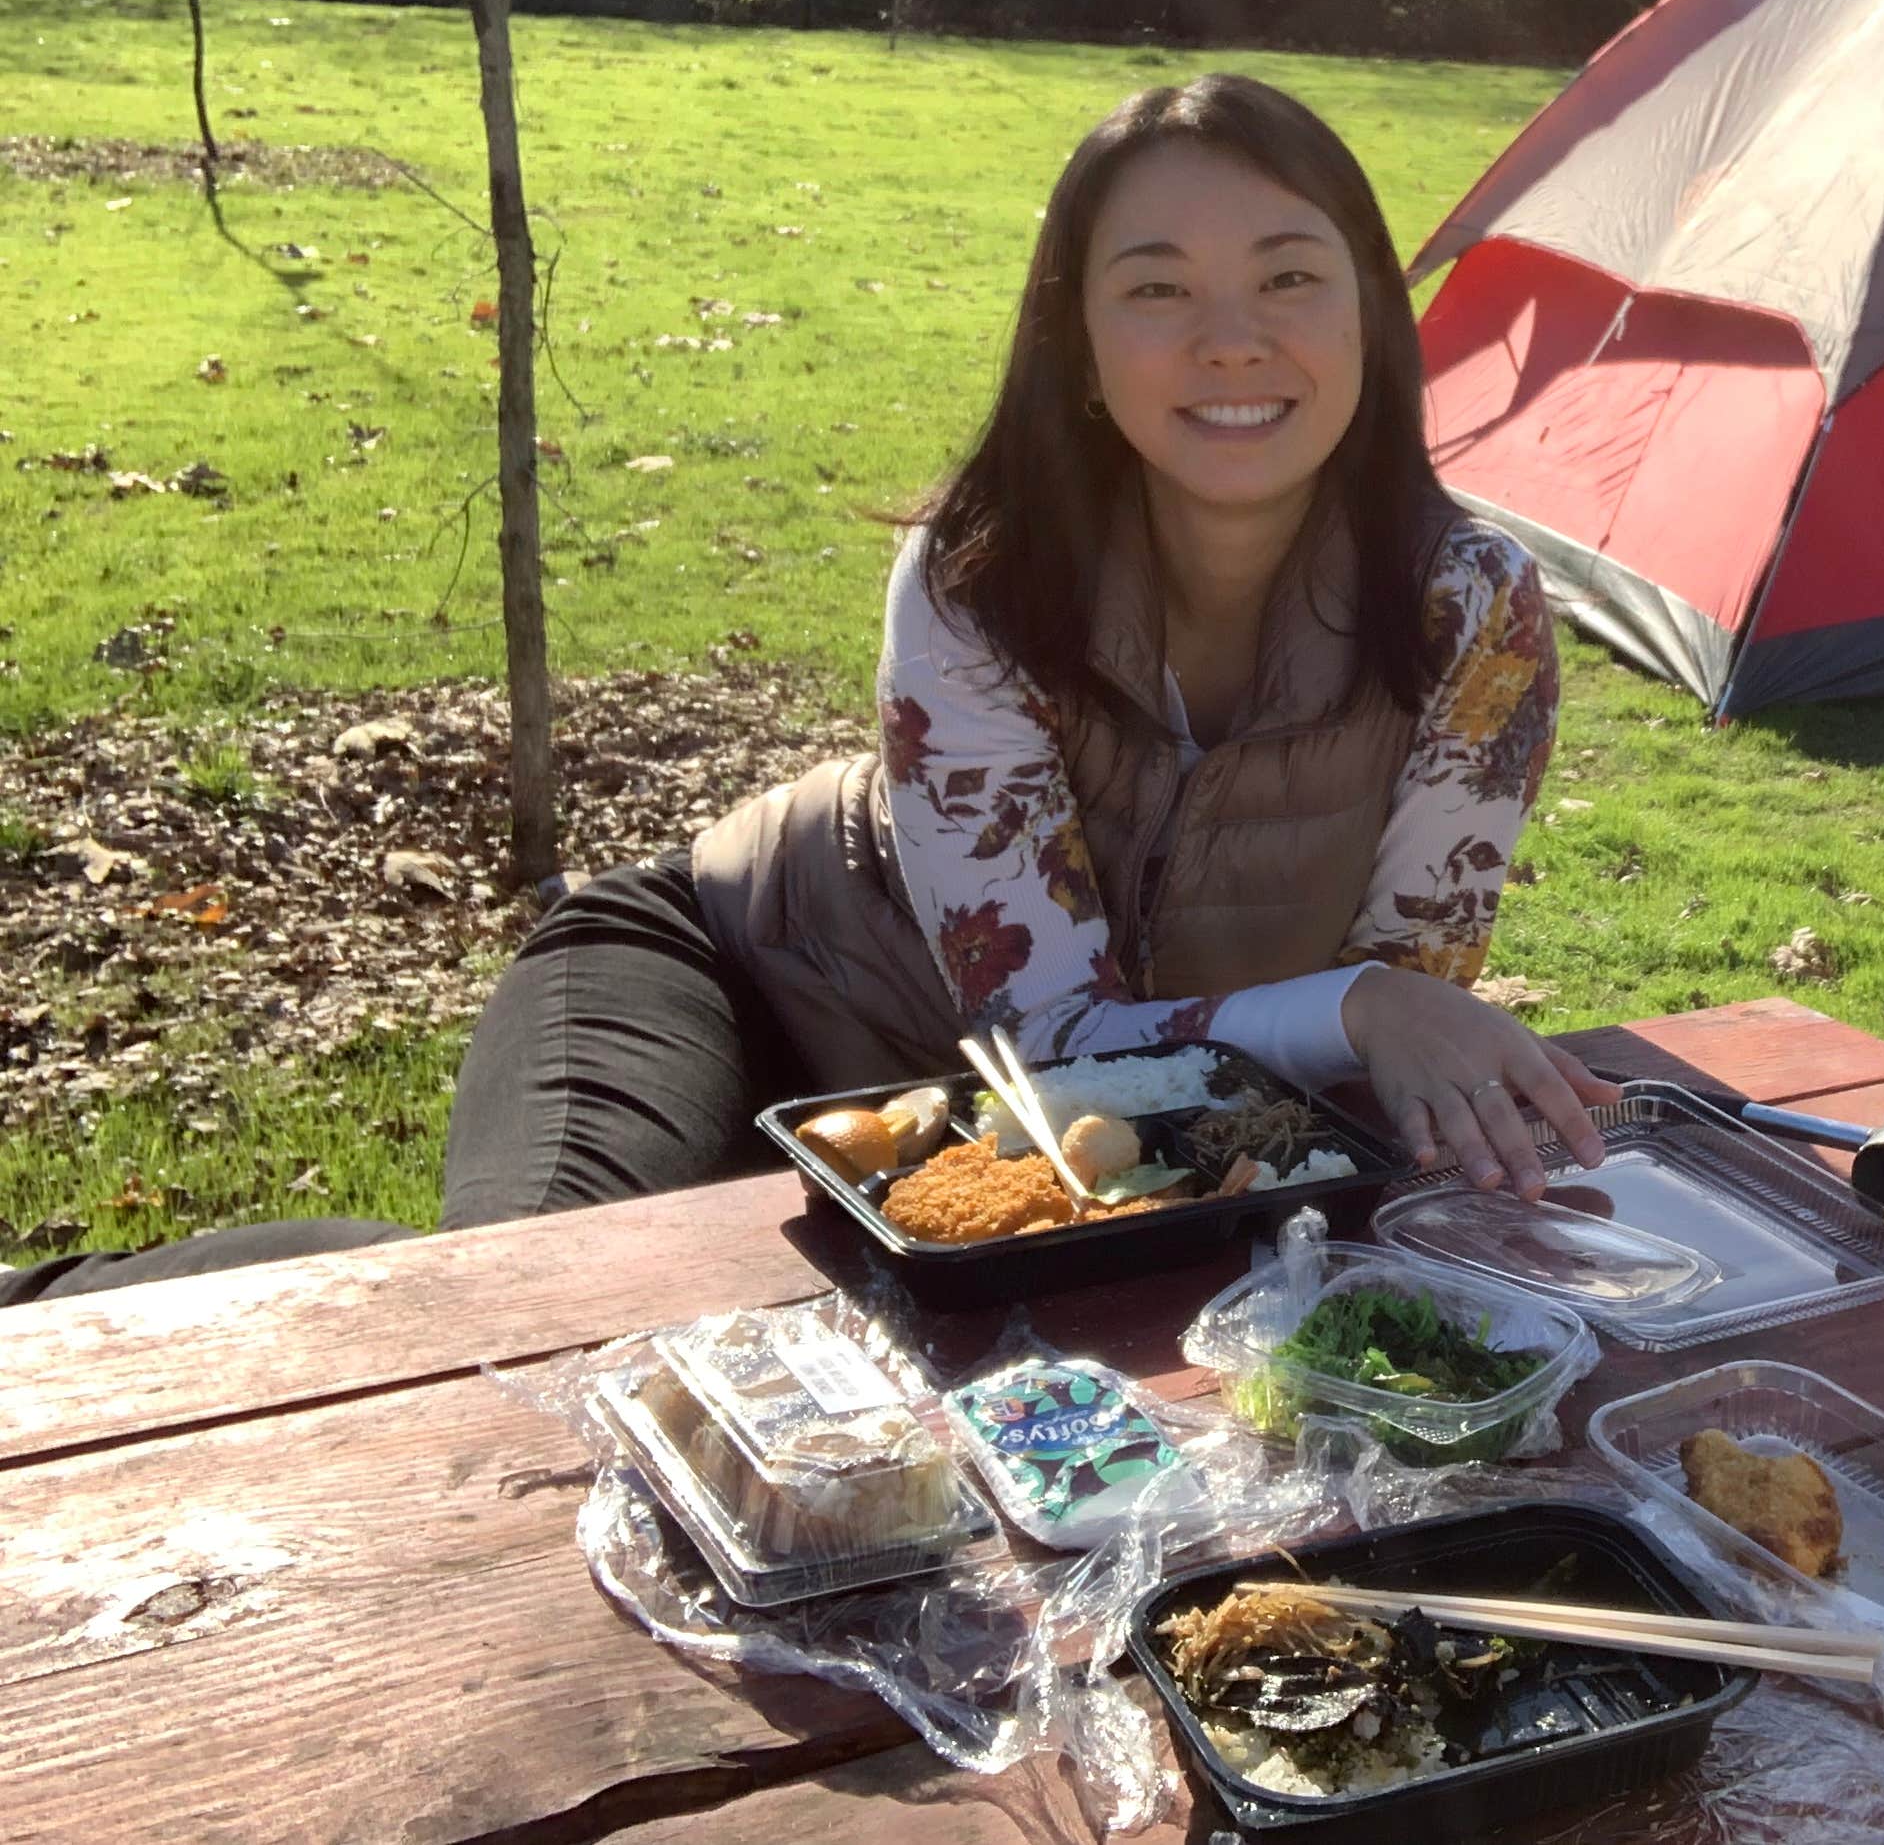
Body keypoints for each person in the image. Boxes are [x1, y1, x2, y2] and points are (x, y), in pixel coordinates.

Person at [3, 74, 1597, 1305]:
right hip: (740, 976)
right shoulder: (981, 580)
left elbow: (1401, 1022)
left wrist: (1401, 1046)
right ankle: (60, 1315)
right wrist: (1366, 1013)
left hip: (1032, 1133)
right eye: (1160, 288)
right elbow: (1057, 1030)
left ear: (1376, 324)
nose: (1233, 343)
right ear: (1082, 346)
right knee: (524, 1314)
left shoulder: (1476, 611)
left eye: (1292, 279)